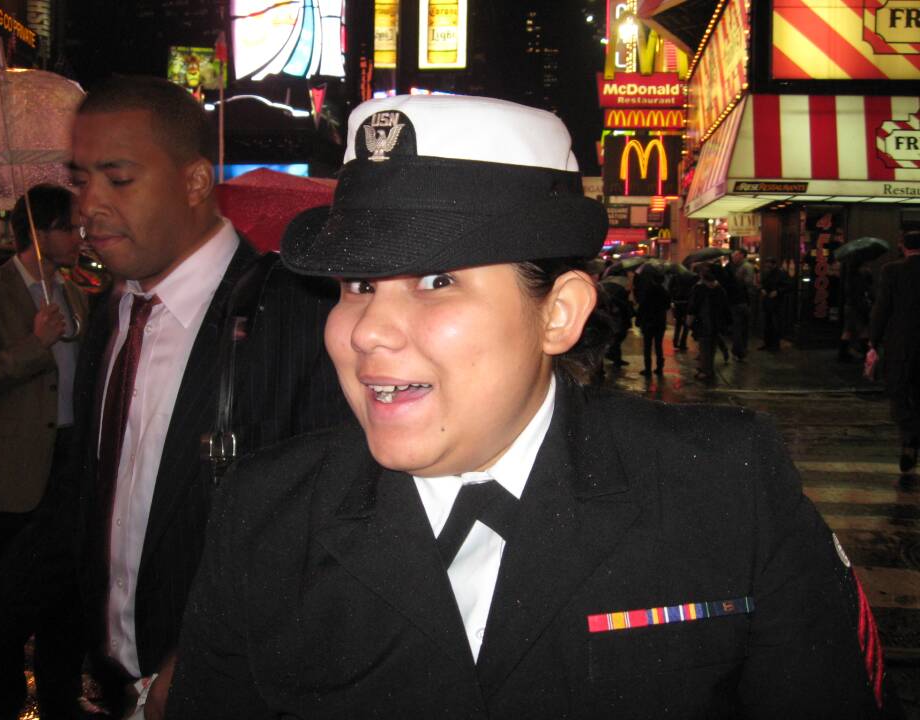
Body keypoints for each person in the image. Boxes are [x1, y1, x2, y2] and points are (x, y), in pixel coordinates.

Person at [166, 94, 887, 718]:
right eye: (356, 284)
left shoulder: (723, 486)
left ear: (559, 314)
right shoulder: (266, 514)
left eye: (436, 280)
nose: (367, 331)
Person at [0, 76, 347, 718]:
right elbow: (84, 499)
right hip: (115, 682)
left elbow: (321, 533)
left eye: (119, 179)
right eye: (82, 180)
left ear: (194, 182)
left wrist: (199, 657)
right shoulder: (112, 315)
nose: (88, 207)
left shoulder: (296, 318)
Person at [0, 184, 87, 720]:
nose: (79, 236)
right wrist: (33, 346)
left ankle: (61, 696)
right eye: (69, 227)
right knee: (4, 592)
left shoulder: (77, 293)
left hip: (69, 459)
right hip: (14, 467)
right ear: (40, 232)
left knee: (63, 589)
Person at [868, 229, 920, 473]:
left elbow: (882, 308)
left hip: (901, 343)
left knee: (899, 390)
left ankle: (909, 437)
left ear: (903, 246)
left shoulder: (892, 271)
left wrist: (873, 341)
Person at [688, 263, 731, 382]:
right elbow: (725, 307)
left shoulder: (699, 288)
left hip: (703, 321)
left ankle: (706, 371)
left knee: (705, 347)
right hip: (716, 322)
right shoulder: (720, 289)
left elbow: (693, 306)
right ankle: (707, 368)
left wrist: (689, 320)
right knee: (711, 347)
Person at [634, 267, 670, 376]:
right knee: (658, 346)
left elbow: (643, 306)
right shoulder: (664, 292)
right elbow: (667, 306)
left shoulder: (648, 291)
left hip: (648, 322)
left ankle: (648, 369)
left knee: (648, 346)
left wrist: (638, 320)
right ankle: (659, 368)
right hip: (660, 321)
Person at [724, 249, 755, 361]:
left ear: (742, 255)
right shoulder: (735, 267)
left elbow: (749, 282)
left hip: (742, 301)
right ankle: (740, 350)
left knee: (739, 327)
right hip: (740, 301)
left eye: (735, 255)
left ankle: (739, 351)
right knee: (740, 327)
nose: (733, 257)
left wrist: (736, 279)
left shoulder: (746, 267)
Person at [759, 257, 790, 352]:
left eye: (768, 264)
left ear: (773, 264)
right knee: (767, 323)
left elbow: (788, 286)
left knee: (776, 324)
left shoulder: (781, 274)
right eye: (766, 264)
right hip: (767, 301)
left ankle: (775, 345)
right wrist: (762, 289)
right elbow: (763, 284)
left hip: (777, 302)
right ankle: (767, 343)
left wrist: (777, 292)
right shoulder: (766, 272)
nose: (767, 266)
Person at [669, 269, 696, 352]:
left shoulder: (675, 276)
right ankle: (683, 343)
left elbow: (670, 287)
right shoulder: (692, 277)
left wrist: (673, 298)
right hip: (687, 302)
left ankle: (675, 342)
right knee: (686, 325)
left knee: (678, 323)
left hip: (678, 302)